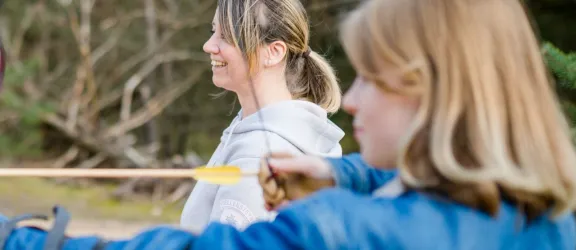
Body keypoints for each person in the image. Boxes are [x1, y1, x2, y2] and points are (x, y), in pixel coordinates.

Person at [2, 0, 576, 249]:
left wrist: (17, 239)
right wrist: (341, 176)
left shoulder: (347, 230)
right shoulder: (543, 214)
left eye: (373, 78)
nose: (350, 98)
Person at [179, 0, 345, 232]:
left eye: (225, 36)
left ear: (273, 52)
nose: (209, 45)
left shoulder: (257, 152)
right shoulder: (265, 131)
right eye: (213, 31)